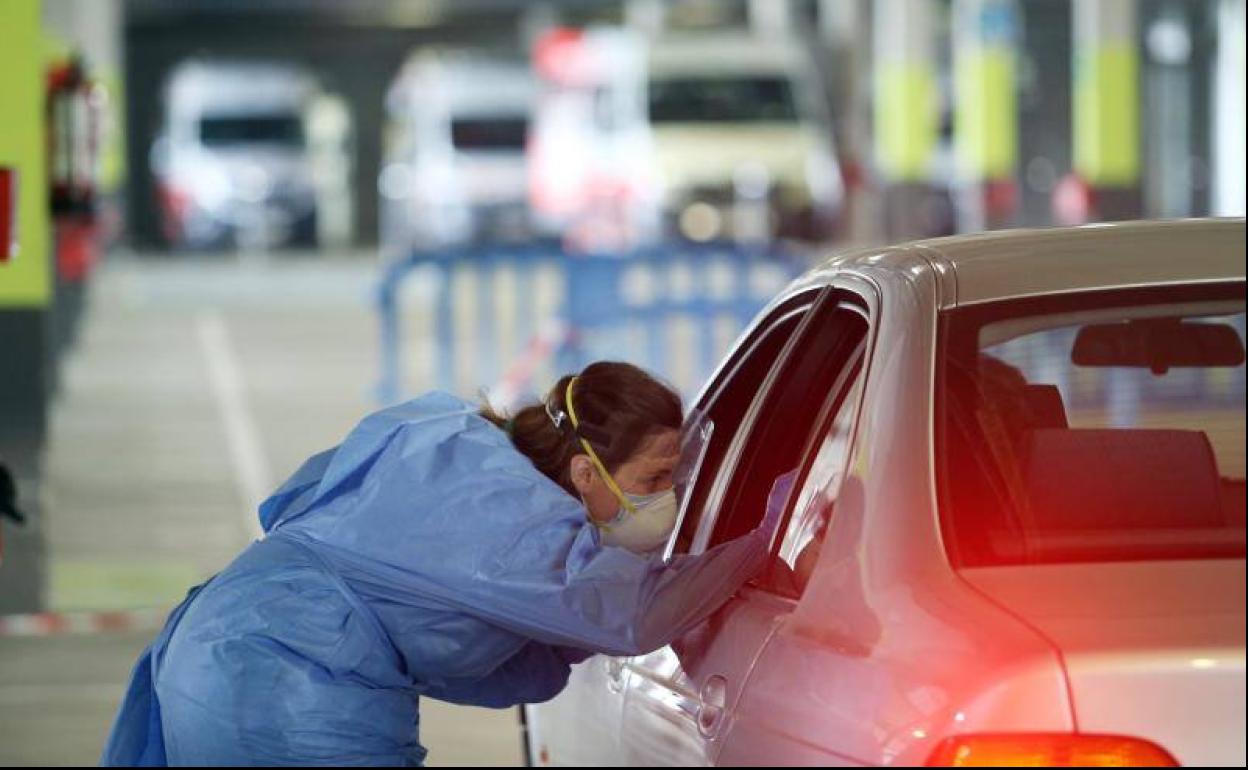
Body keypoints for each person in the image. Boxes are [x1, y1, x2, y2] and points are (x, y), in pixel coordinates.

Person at [101, 361, 779, 766]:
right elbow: (628, 618)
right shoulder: (510, 515)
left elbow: (496, 648)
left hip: (214, 652)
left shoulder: (458, 450)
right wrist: (760, 545)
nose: (670, 499)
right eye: (658, 477)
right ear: (585, 470)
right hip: (286, 687)